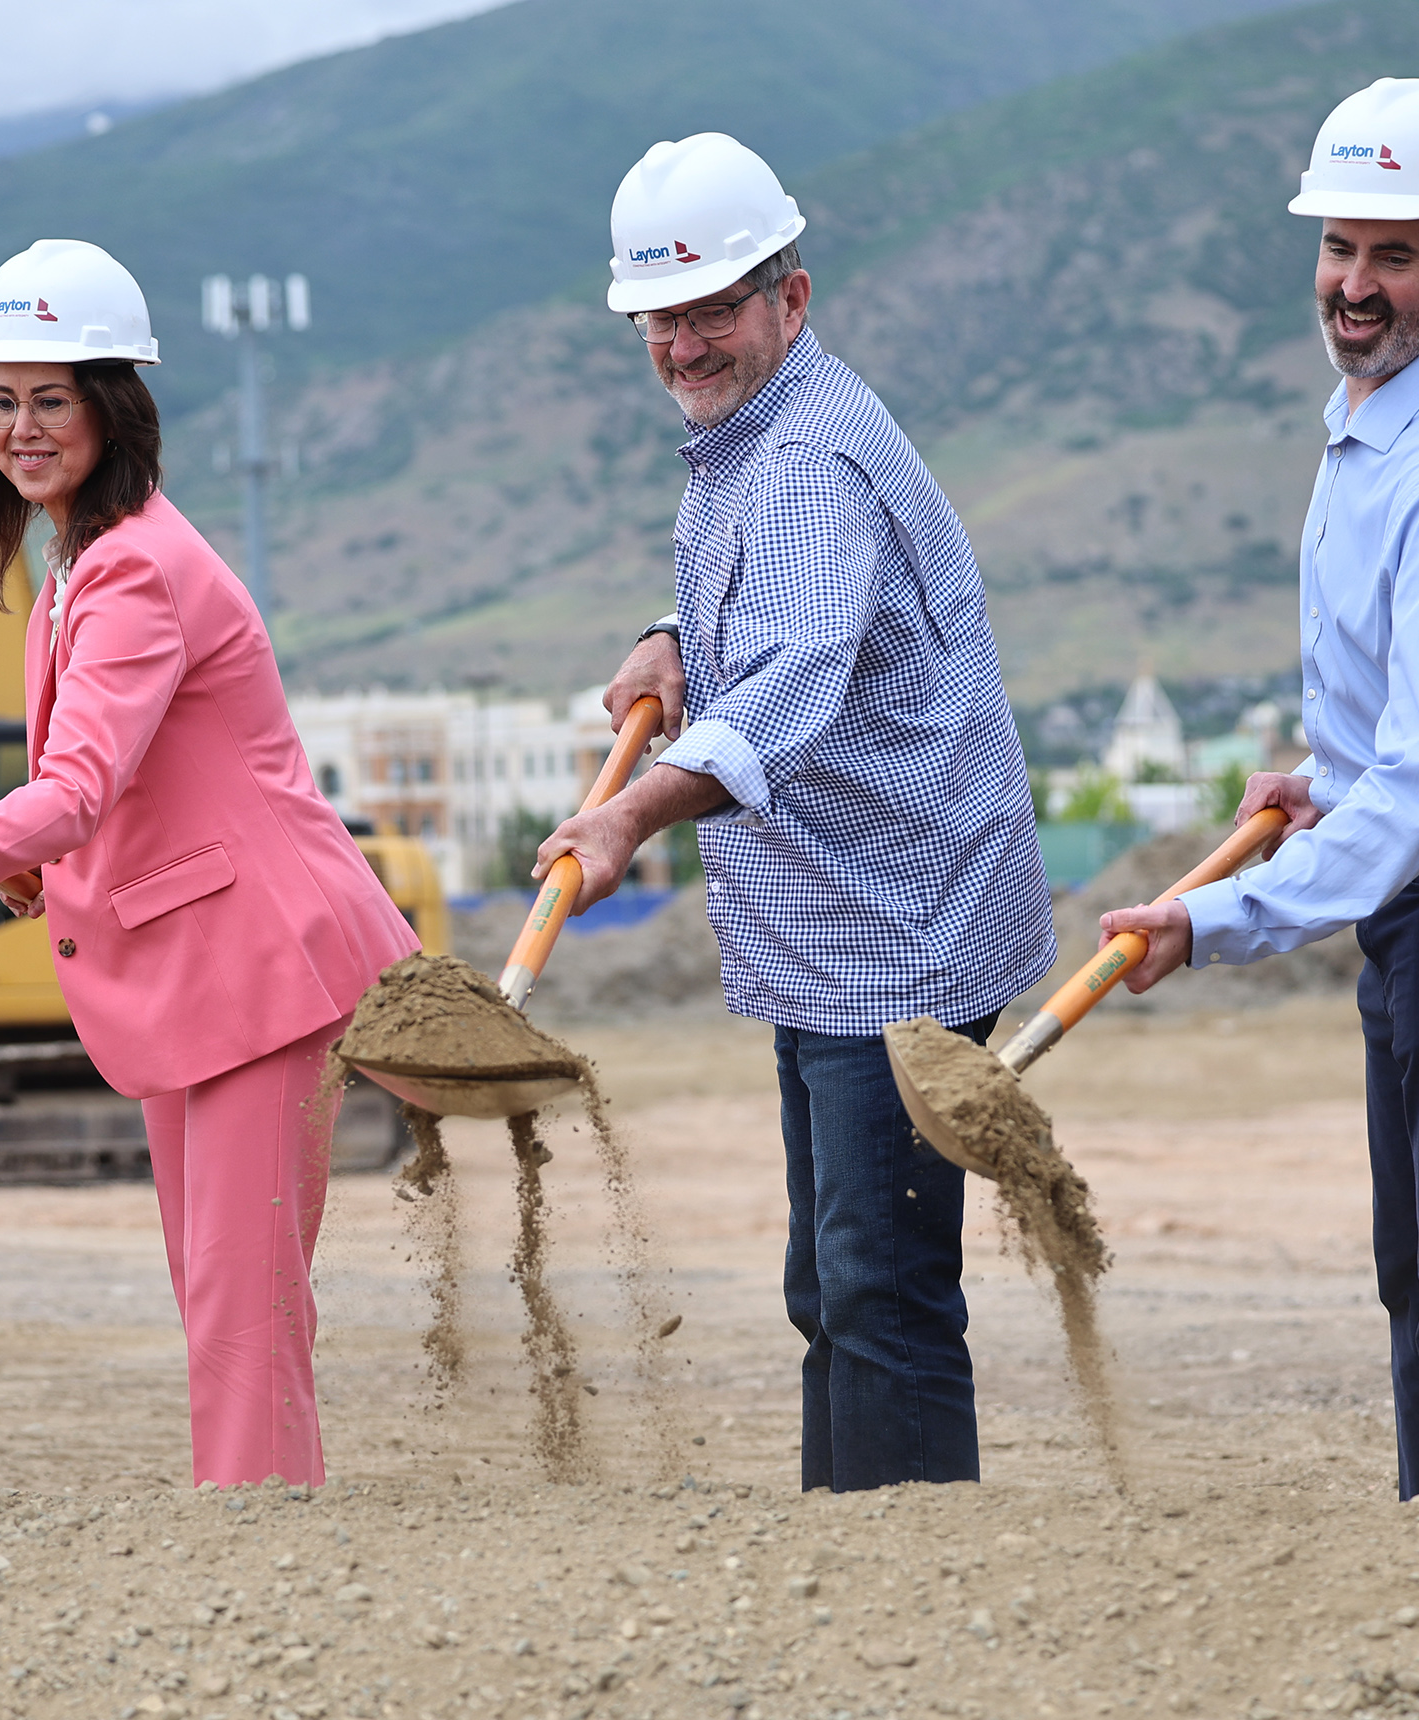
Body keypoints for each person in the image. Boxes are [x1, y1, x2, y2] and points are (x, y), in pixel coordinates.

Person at [1094, 80, 1419, 1503]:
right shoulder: (1376, 417)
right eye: (1341, 248)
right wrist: (1326, 776)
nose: (1354, 283)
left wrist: (1216, 923)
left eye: (1395, 256)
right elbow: (1404, 747)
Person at [0, 240, 416, 1489]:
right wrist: (33, 869)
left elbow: (80, 787)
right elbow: (130, 784)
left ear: (114, 404)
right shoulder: (80, 559)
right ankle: (248, 1525)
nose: (18, 427)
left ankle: (261, 1549)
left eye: (51, 397)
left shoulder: (134, 563)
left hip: (255, 966)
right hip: (196, 965)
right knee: (223, 1294)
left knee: (243, 1304)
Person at [534, 135, 1056, 1493]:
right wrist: (667, 632)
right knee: (833, 1277)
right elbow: (763, 614)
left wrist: (629, 817)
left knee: (879, 1286)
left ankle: (906, 1587)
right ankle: (852, 1551)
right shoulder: (753, 432)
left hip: (898, 929)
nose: (687, 342)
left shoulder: (810, 457)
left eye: (716, 308)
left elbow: (795, 680)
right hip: (835, 921)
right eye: (665, 314)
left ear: (792, 299)